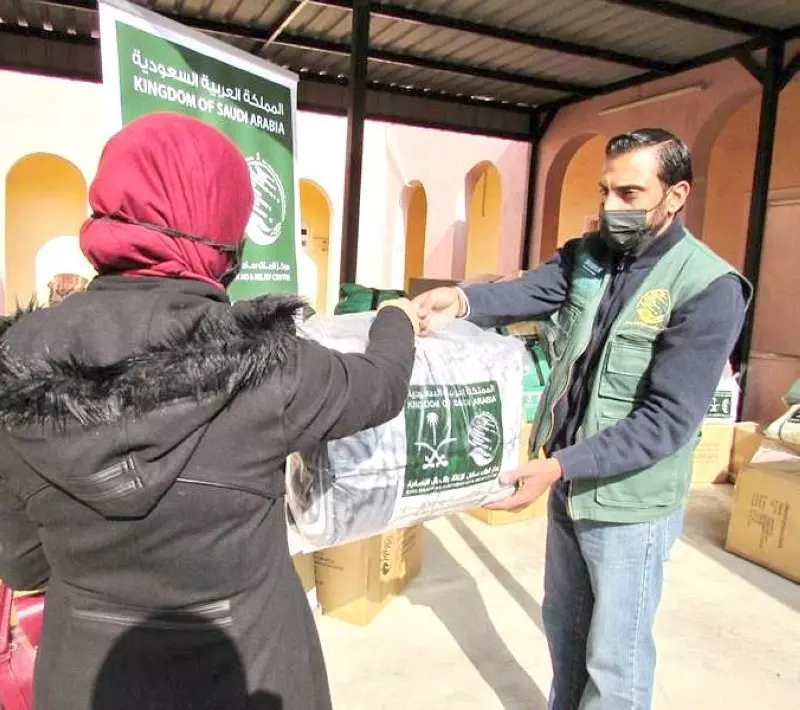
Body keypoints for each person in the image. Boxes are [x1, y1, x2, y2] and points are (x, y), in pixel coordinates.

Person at [0, 112, 419, 710]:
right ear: (221, 226)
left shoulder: (15, 364)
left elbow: (22, 564)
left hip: (87, 681)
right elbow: (380, 386)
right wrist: (395, 319)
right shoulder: (269, 364)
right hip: (250, 673)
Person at [415, 128, 750, 710]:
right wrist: (462, 300)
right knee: (566, 641)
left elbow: (667, 420)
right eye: (605, 191)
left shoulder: (707, 288)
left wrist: (558, 465)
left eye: (629, 193)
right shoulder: (591, 256)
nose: (610, 208)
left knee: (615, 664)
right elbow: (529, 292)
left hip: (629, 506)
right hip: (568, 491)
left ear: (676, 195)